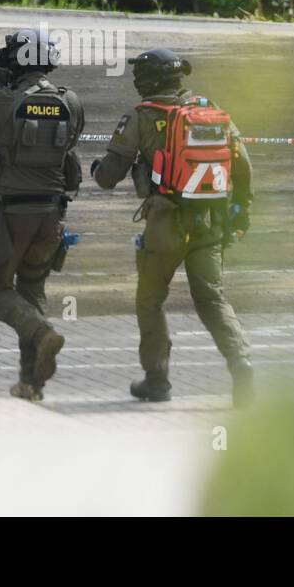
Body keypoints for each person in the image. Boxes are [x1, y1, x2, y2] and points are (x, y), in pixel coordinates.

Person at [91, 49, 254, 407]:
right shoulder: (210, 112)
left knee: (150, 302)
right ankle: (241, 362)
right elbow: (243, 167)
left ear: (145, 80)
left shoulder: (141, 116)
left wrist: (97, 168)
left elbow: (107, 177)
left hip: (164, 224)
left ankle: (157, 382)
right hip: (209, 222)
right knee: (213, 300)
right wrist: (240, 213)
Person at [0, 28, 84, 402]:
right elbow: (70, 143)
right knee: (31, 291)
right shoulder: (70, 100)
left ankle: (43, 335)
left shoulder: (1, 96)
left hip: (12, 212)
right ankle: (31, 383)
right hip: (52, 213)